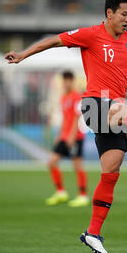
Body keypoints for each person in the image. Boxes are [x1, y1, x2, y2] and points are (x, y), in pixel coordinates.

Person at [5, 0, 127, 253]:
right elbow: (53, 41)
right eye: (123, 14)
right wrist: (22, 55)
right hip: (94, 104)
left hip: (113, 109)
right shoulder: (90, 34)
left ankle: (92, 233)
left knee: (111, 173)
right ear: (109, 13)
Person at [45, 70, 89, 208]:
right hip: (65, 136)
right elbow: (65, 118)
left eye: (69, 79)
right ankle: (60, 192)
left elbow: (77, 117)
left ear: (72, 81)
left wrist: (71, 136)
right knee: (52, 162)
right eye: (65, 80)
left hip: (75, 137)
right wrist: (60, 135)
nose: (67, 82)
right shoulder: (64, 98)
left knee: (77, 165)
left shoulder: (77, 97)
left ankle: (83, 196)